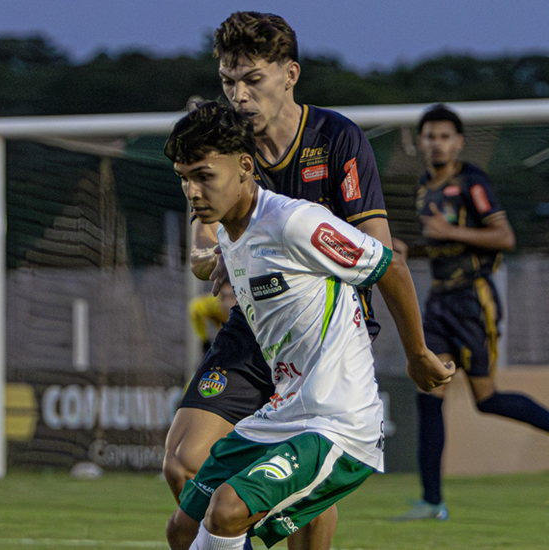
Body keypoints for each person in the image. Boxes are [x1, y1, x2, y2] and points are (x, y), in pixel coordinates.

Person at [163, 100, 453, 550]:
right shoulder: (228, 233)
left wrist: (417, 356)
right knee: (182, 529)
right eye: (184, 178)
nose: (193, 192)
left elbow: (390, 267)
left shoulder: (295, 222)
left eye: (204, 176)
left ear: (244, 167)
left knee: (226, 509)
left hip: (337, 423)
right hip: (282, 414)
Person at [163, 12, 394, 550]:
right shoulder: (216, 145)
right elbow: (202, 246)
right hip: (251, 326)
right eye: (227, 81)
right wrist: (215, 251)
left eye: (252, 79)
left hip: (323, 333)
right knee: (184, 465)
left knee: (305, 509)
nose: (238, 95)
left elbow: (380, 249)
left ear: (290, 74)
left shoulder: (335, 138)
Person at [391, 104, 549, 522]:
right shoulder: (423, 185)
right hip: (437, 300)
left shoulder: (473, 180)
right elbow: (440, 242)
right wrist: (410, 248)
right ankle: (432, 502)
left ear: (459, 142)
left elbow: (504, 236)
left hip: (474, 301)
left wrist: (447, 231)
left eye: (445, 136)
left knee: (486, 400)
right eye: (430, 136)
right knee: (429, 394)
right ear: (419, 142)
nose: (437, 143)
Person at [188, 282, 236, 353]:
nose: (228, 303)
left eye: (231, 297)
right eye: (224, 297)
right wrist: (204, 340)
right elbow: (195, 309)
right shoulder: (213, 304)